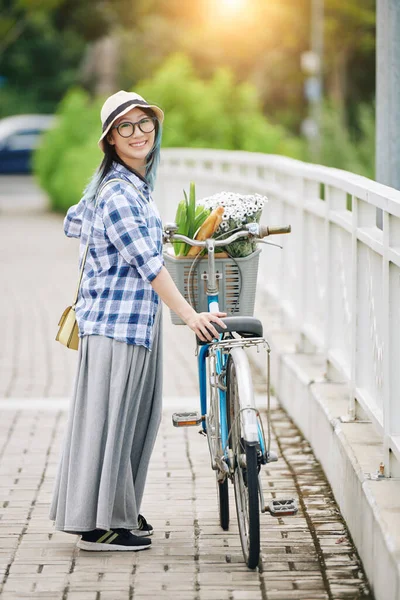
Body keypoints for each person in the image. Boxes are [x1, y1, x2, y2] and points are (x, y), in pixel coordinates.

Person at [49, 90, 227, 552]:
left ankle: (116, 510)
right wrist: (189, 316)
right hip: (116, 325)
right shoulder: (118, 193)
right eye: (124, 127)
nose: (137, 133)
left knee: (131, 422)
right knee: (111, 423)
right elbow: (149, 266)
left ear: (155, 127)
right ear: (110, 140)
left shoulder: (132, 186)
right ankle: (100, 526)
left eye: (144, 123)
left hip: (131, 324)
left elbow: (82, 224)